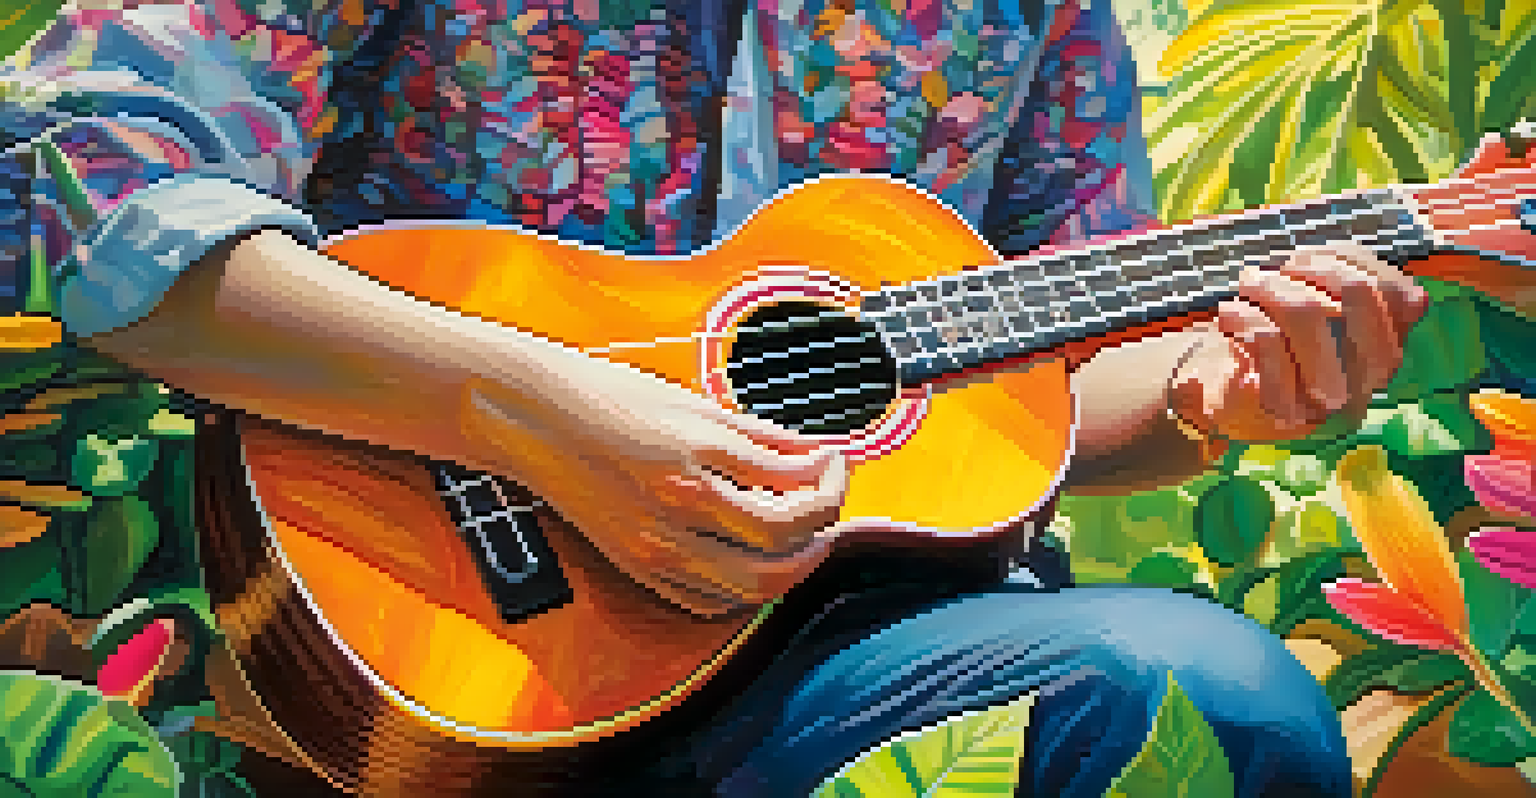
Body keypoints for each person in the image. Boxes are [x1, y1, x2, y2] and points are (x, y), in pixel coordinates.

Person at [0, 0, 1433, 794]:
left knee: (1222, 707)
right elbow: (86, 181)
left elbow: (1052, 340)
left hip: (864, 648)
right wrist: (525, 409)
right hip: (418, 655)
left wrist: (1205, 392)